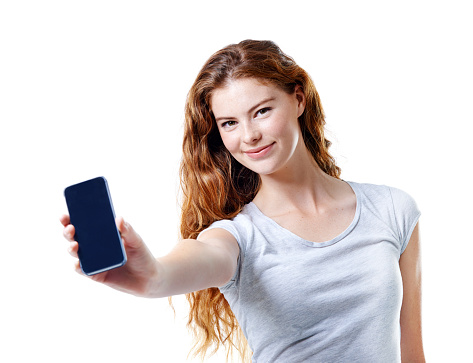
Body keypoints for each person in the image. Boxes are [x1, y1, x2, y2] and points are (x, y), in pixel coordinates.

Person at [60, 40, 425, 362]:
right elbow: (195, 260)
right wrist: (151, 275)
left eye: (262, 111)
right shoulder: (237, 237)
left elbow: (413, 353)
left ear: (298, 98)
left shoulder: (393, 209)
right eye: (229, 123)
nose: (249, 136)